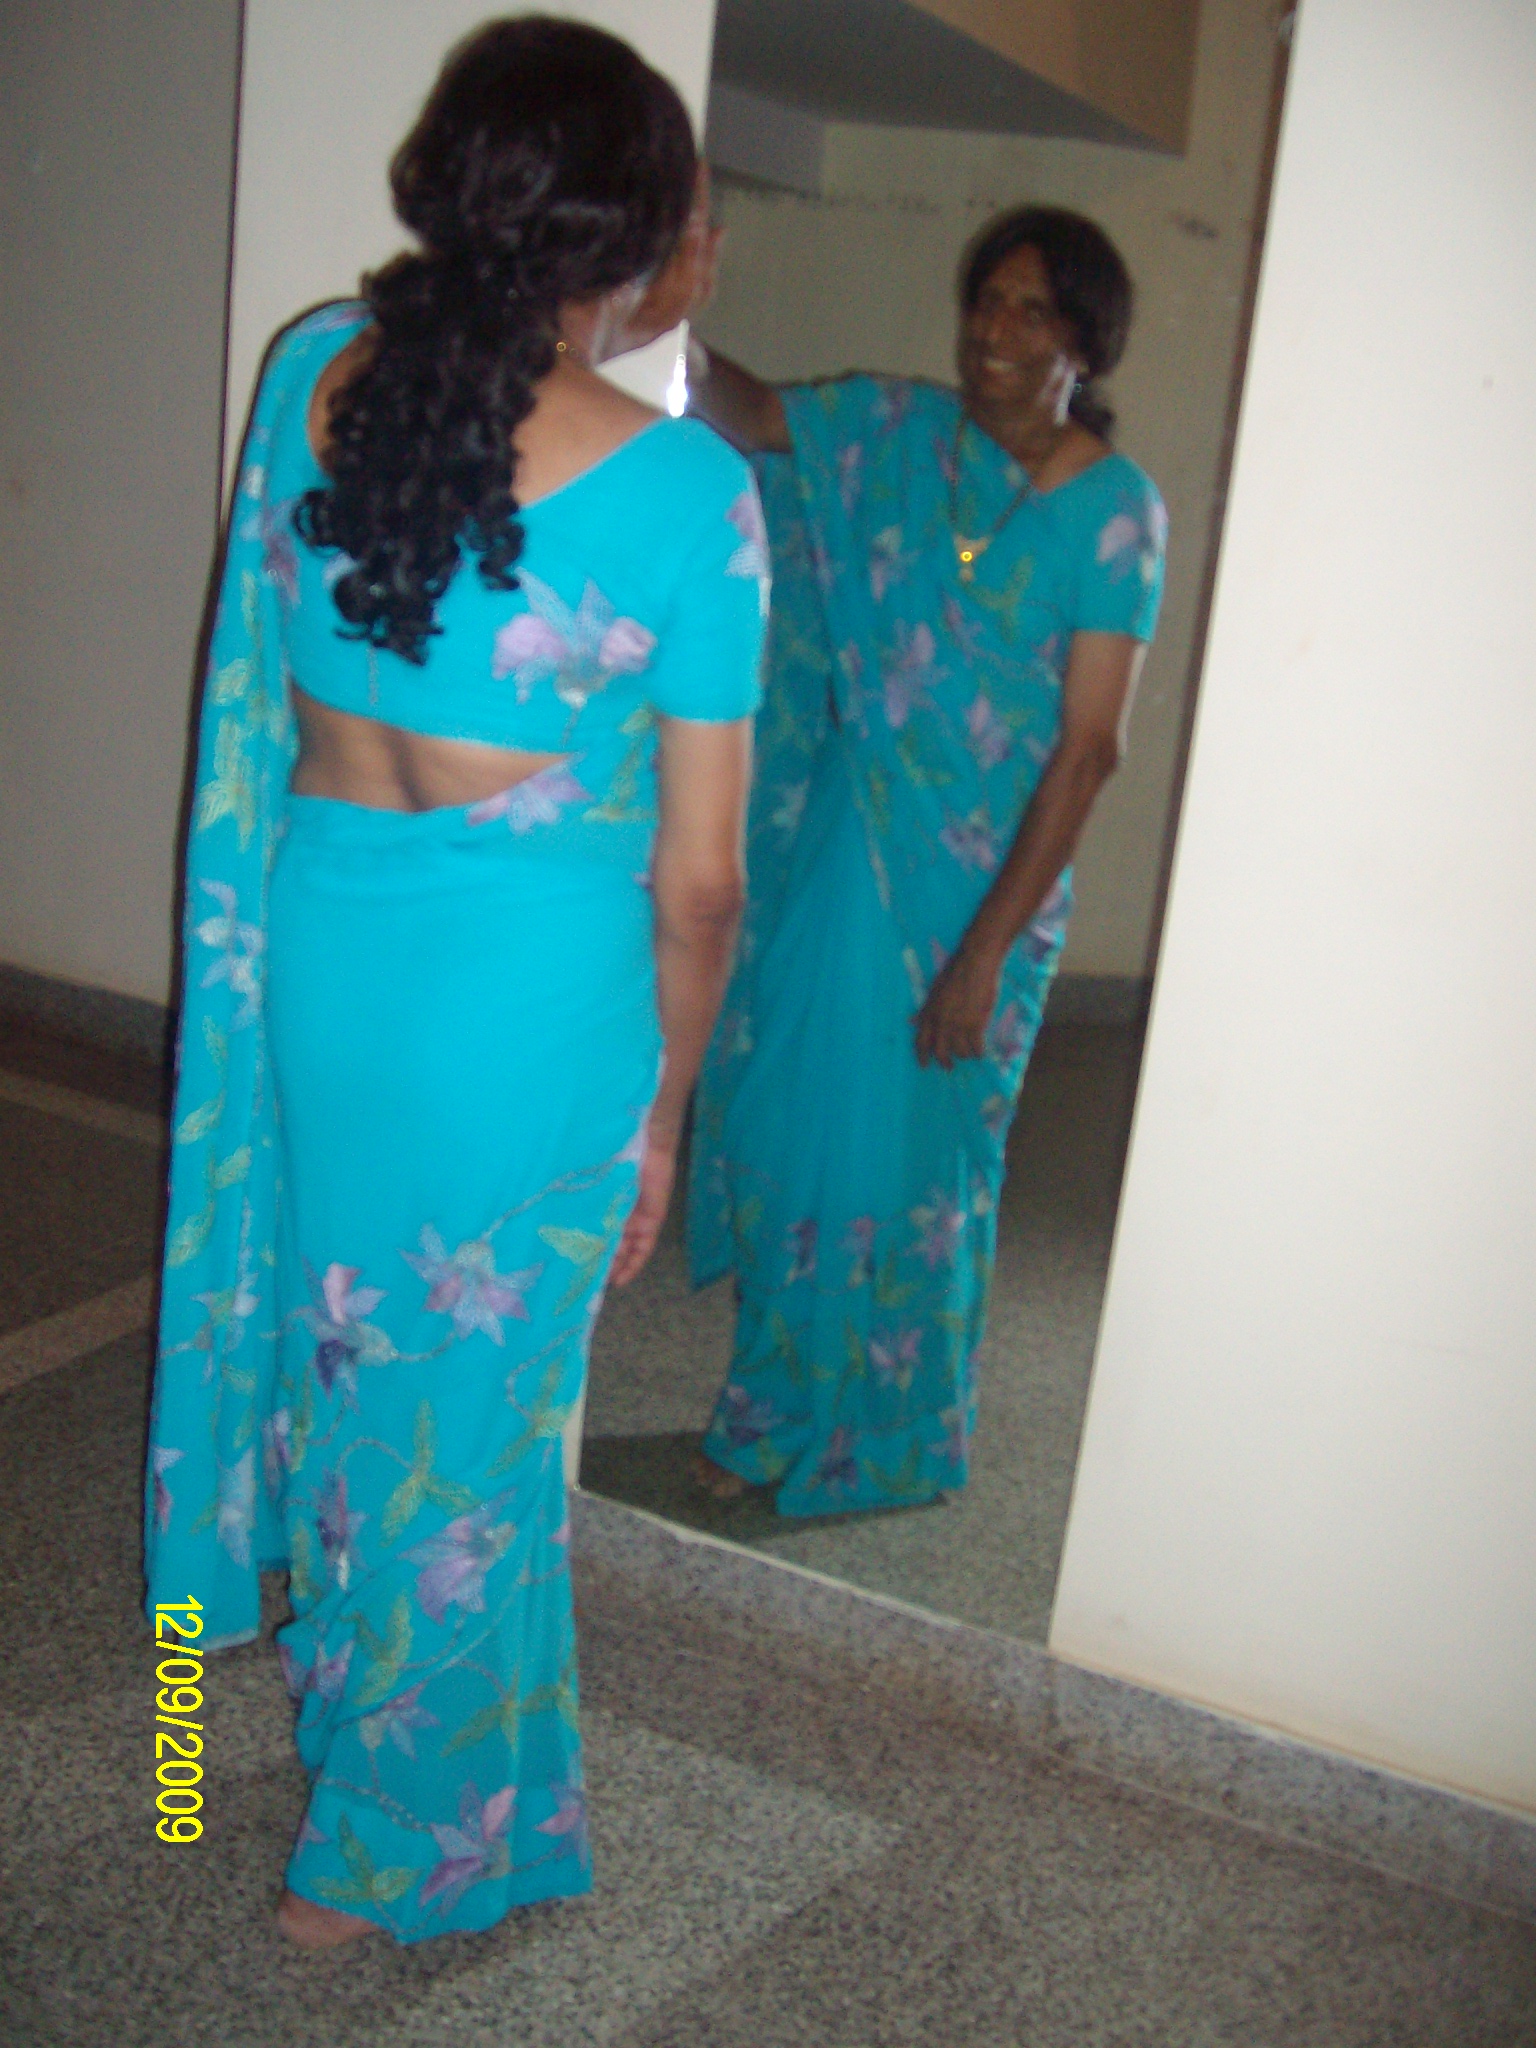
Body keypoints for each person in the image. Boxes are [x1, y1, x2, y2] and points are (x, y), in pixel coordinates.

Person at [143, 18, 765, 1949]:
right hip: (529, 1024)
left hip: (324, 966)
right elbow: (704, 878)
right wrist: (666, 1108)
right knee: (478, 1430)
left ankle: (397, 1748)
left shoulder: (314, 376)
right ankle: (387, 1850)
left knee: (358, 1370)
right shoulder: (688, 493)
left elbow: (269, 688)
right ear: (640, 235)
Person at [682, 205, 1166, 1518]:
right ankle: (767, 1407)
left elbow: (1087, 753)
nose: (996, 334)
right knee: (794, 1138)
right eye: (985, 305)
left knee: (917, 1179)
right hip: (848, 850)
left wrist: (981, 955)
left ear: (1084, 344)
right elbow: (750, 410)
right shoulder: (894, 436)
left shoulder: (1116, 516)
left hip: (983, 896)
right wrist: (666, 291)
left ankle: (889, 1432)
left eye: (1031, 313)